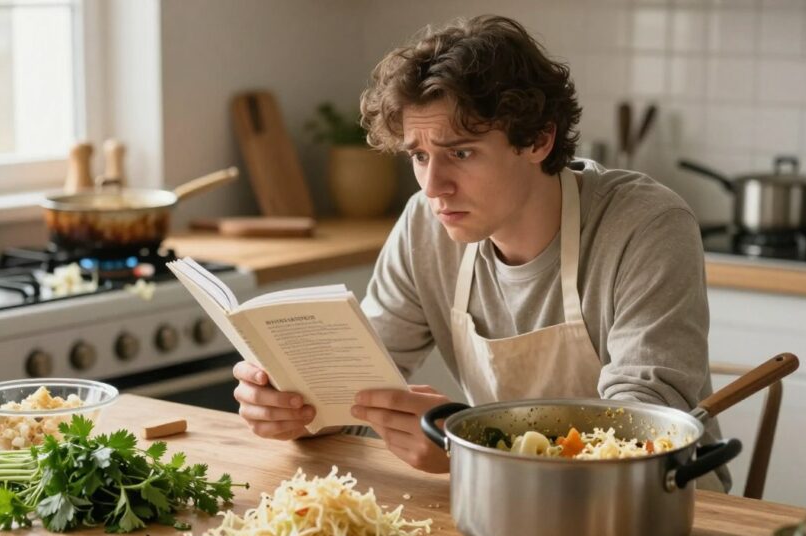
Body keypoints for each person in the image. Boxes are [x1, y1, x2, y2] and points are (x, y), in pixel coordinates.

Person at [231, 14, 728, 491]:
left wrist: (474, 447)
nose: (434, 186)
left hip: (664, 509)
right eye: (419, 156)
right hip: (508, 504)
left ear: (537, 139)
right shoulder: (426, 224)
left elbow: (642, 434)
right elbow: (356, 386)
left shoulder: (646, 226)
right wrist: (301, 410)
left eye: (461, 153)